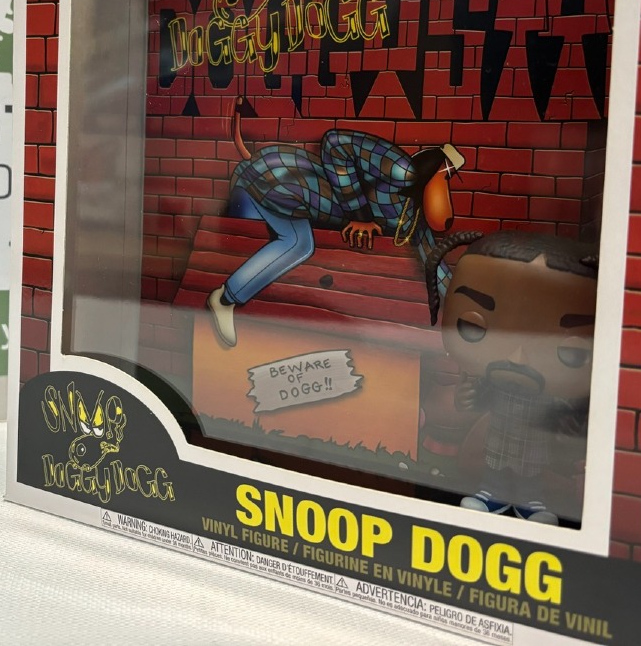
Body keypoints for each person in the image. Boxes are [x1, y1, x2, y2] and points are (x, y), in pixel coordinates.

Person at [205, 129, 465, 348]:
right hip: (277, 179)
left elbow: (433, 258)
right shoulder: (401, 170)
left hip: (289, 200)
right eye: (447, 175)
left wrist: (461, 305)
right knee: (297, 244)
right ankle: (225, 299)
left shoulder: (409, 215)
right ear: (437, 168)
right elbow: (335, 143)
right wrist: (360, 215)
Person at [425, 230, 598, 524]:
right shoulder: (492, 381)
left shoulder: (551, 394)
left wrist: (568, 424)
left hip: (535, 438)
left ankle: (530, 500)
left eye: (571, 352)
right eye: (472, 327)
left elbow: (567, 418)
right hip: (499, 434)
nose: (518, 359)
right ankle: (492, 494)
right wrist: (467, 397)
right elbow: (475, 401)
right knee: (496, 466)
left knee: (530, 471)